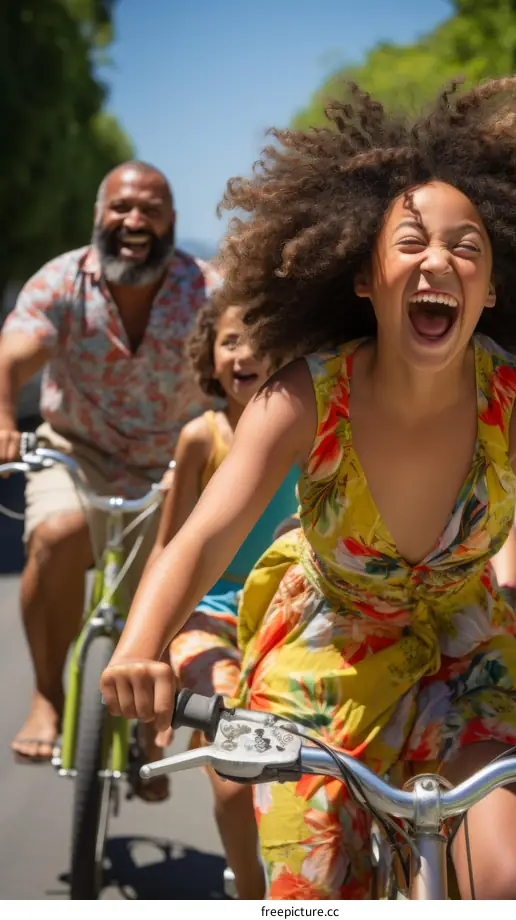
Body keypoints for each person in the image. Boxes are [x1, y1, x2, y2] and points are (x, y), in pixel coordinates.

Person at [100, 72, 516, 899]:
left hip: (470, 656)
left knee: (510, 880)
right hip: (322, 653)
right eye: (410, 242)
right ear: (364, 276)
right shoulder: (302, 394)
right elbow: (201, 537)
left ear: (492, 289)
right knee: (311, 893)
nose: (438, 259)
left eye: (466, 247)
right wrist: (136, 648)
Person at [0, 160, 219, 762]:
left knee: (175, 581)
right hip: (78, 450)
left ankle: (152, 729)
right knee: (58, 534)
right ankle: (47, 695)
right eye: (122, 207)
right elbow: (14, 354)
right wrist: (3, 421)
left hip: (173, 463)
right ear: (99, 215)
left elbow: (244, 356)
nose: (134, 220)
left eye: (151, 209)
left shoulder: (207, 290)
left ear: (171, 220)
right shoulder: (61, 280)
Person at [135, 298, 298, 898]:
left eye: (260, 340)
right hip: (212, 616)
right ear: (209, 357)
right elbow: (167, 548)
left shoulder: (310, 432)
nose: (244, 353)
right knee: (233, 773)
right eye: (230, 341)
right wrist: (150, 646)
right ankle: (251, 888)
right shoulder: (201, 438)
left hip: (290, 617)